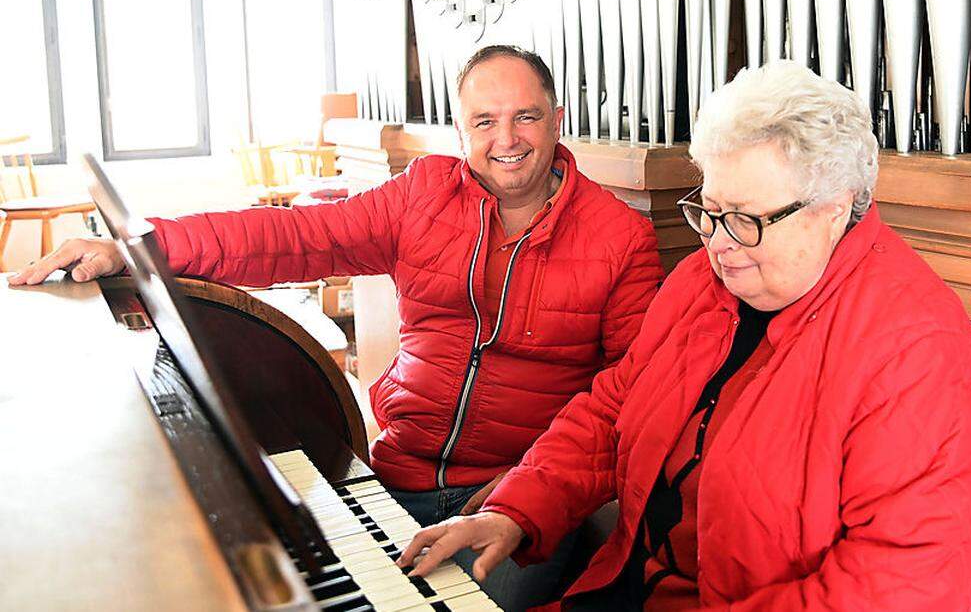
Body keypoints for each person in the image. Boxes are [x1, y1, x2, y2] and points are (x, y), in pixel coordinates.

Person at [9, 45, 663, 610]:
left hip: (513, 501)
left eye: (525, 116)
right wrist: (144, 247)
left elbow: (625, 401)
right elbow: (296, 236)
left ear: (557, 119)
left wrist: (525, 492)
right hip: (395, 474)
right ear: (460, 131)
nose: (507, 138)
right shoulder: (423, 193)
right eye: (484, 121)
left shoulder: (622, 237)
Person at [397, 61, 971, 611]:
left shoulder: (917, 349)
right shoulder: (701, 281)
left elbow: (899, 586)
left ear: (834, 209)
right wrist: (518, 509)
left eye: (747, 219)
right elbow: (613, 411)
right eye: (709, 211)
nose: (719, 243)